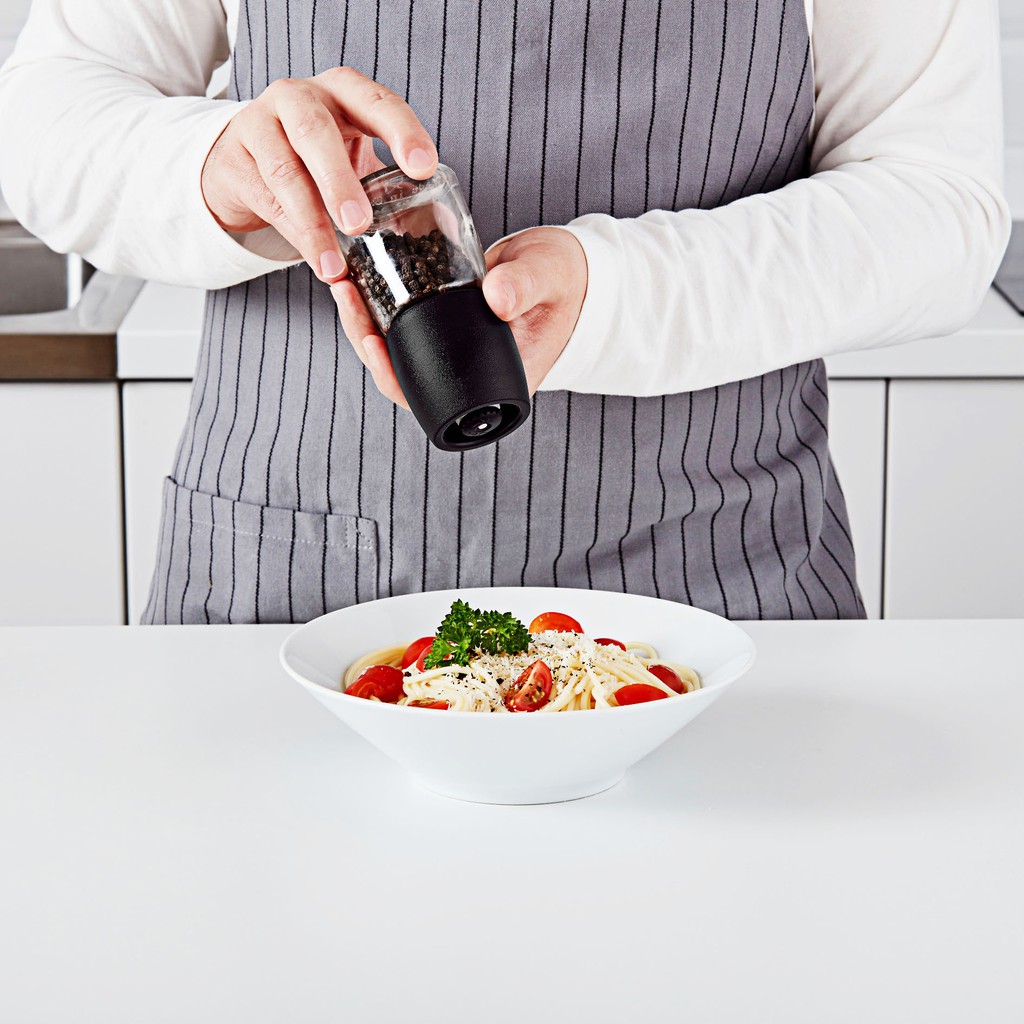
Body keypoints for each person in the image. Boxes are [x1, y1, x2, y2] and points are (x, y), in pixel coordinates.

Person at [0, 0, 1009, 624]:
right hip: (279, 589)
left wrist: (616, 291)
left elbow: (938, 201)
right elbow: (45, 112)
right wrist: (218, 166)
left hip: (721, 591)